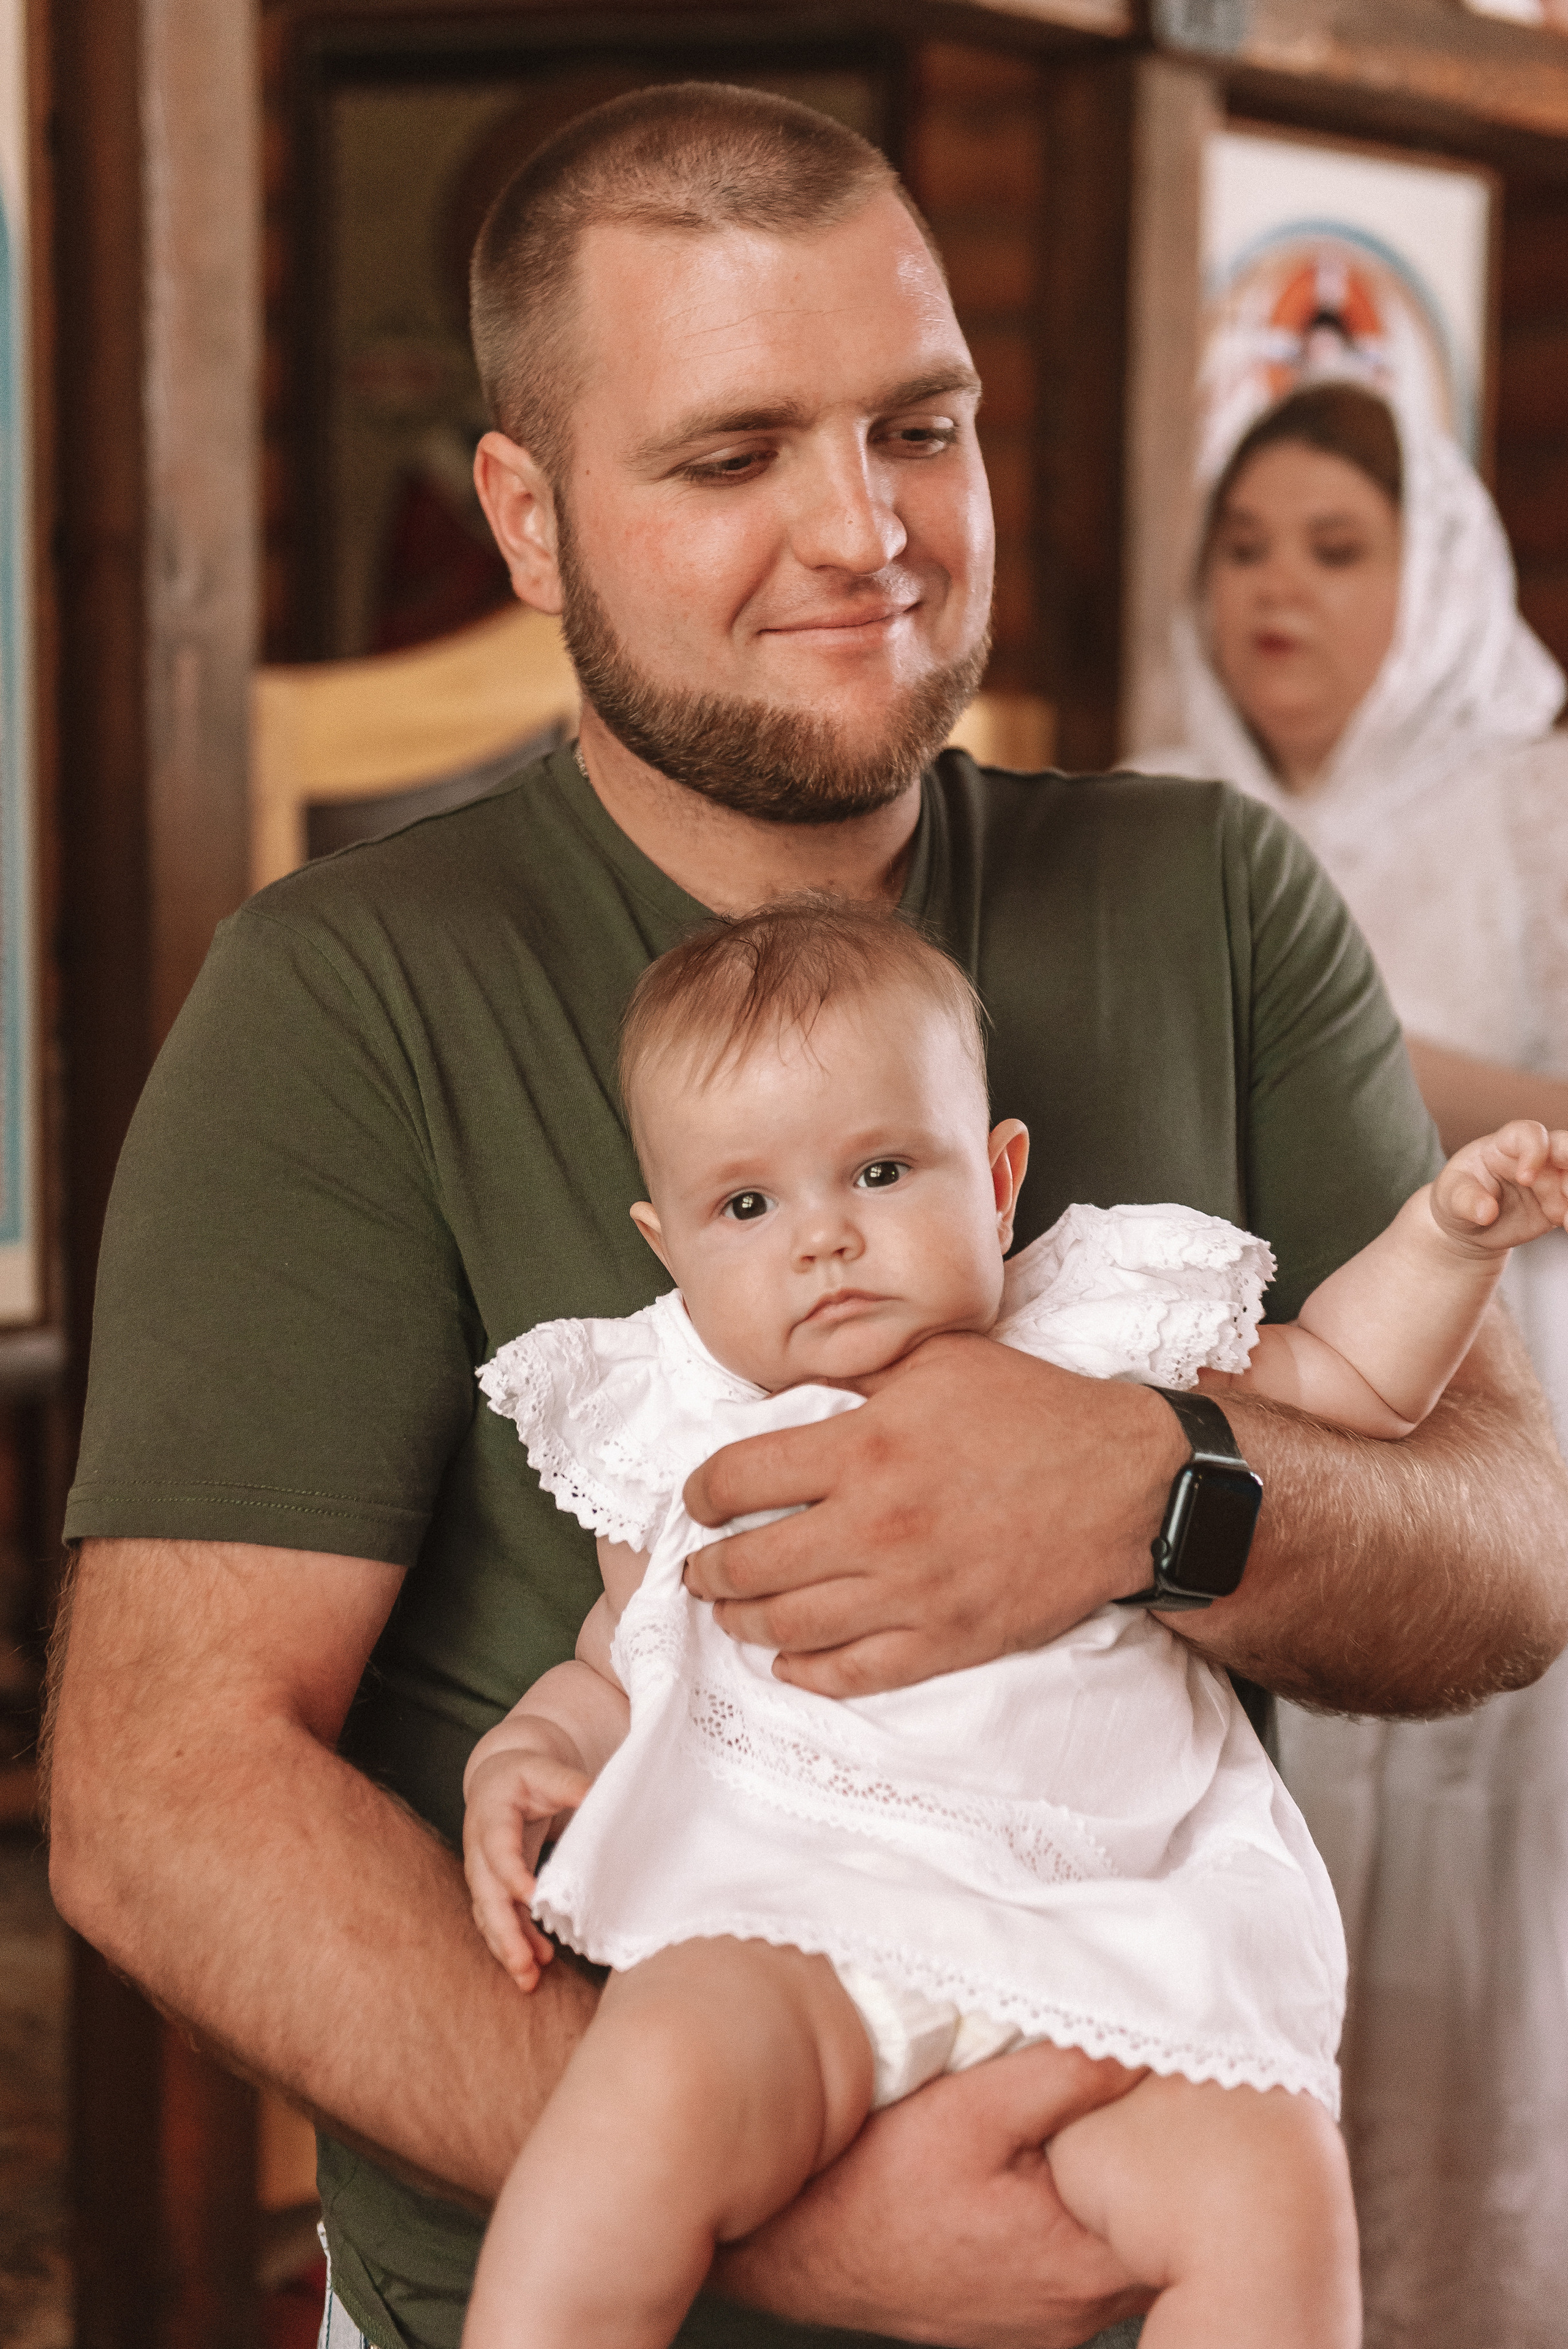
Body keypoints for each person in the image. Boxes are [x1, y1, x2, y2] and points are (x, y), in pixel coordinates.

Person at [41, 86, 1568, 2349]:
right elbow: (162, 1798)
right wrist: (791, 2217)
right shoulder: (347, 993)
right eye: (734, 454)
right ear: (529, 519)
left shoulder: (1213, 896)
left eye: (919, 428)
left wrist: (1151, 1489)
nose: (865, 530)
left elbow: (1508, 1551)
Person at [459, 894, 1568, 2349]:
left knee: (1270, 2197)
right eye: (747, 1207)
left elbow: (1352, 1386)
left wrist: (1445, 1240)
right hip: (792, 1922)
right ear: (667, 1249)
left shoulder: (1092, 1330)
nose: (823, 1239)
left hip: (1115, 1925)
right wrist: (538, 1747)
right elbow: (627, 1650)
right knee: (630, 2121)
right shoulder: (670, 1412)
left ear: (994, 1183)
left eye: (878, 1170)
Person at [1131, 377, 1568, 2348]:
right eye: (1243, 549)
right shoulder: (1152, 811)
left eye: (1335, 549)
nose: (1277, 591)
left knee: (1475, 1825)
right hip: (1229, 1411)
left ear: (1441, 581)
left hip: (1498, 1394)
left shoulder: (1534, 809)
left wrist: (1337, 1040)